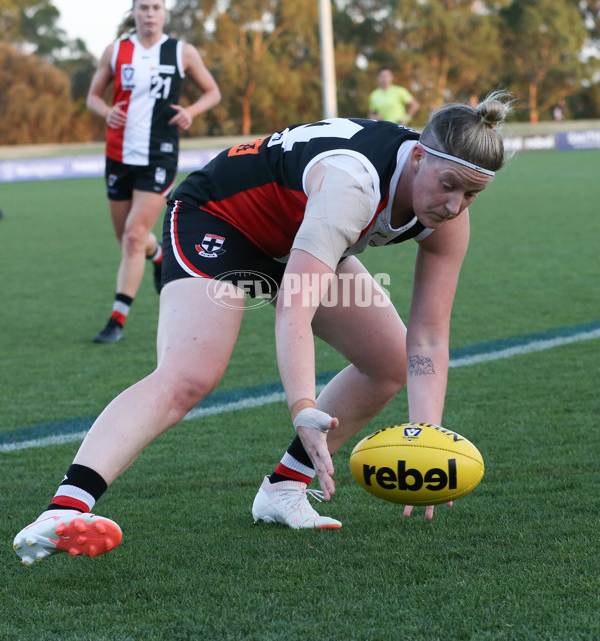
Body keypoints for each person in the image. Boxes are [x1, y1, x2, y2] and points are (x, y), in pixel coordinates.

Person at [12, 91, 512, 564]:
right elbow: (293, 307)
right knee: (189, 376)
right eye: (448, 186)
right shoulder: (352, 182)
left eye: (471, 195)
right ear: (420, 156)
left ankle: (283, 489)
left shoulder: (449, 214)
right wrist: (303, 407)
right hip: (220, 218)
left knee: (387, 361)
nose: (453, 206)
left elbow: (427, 336)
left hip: (303, 237)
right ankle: (65, 510)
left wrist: (425, 437)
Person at [87, 0, 221, 343]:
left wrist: (190, 111)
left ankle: (117, 319)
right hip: (118, 154)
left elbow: (213, 91)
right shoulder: (116, 51)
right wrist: (105, 111)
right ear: (133, 13)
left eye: (155, 8)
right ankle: (158, 254)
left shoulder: (181, 51)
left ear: (164, 13)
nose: (149, 13)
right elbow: (93, 97)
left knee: (133, 235)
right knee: (129, 240)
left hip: (159, 155)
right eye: (143, 8)